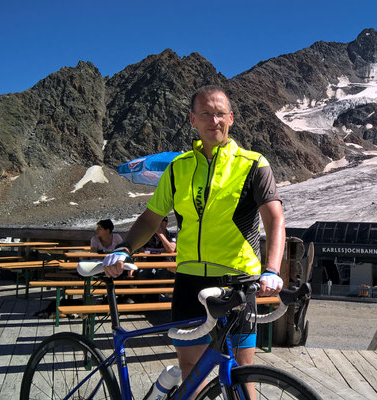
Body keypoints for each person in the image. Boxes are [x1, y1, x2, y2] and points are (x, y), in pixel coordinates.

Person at [101, 85, 285, 394]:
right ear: (193, 120)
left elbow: (275, 219)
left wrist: (273, 269)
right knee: (191, 372)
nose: (214, 120)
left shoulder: (254, 164)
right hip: (190, 283)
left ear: (231, 118)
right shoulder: (178, 168)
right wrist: (123, 248)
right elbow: (150, 219)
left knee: (242, 376)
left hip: (238, 282)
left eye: (220, 113)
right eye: (206, 114)